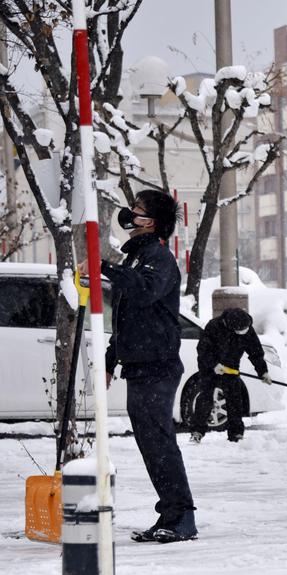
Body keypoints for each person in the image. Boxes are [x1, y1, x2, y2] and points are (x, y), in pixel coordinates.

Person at [91, 189, 198, 543]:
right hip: (139, 366)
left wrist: (101, 267)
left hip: (158, 366)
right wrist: (110, 360)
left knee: (160, 444)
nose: (128, 213)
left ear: (149, 221)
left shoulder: (158, 258)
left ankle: (182, 517)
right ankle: (170, 513)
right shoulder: (136, 258)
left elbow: (145, 291)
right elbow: (126, 319)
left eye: (136, 209)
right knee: (152, 445)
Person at [189, 307, 271, 444]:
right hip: (209, 367)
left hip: (231, 367)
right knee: (205, 398)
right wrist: (214, 365)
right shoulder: (214, 326)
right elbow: (202, 349)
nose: (243, 333)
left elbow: (255, 351)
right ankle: (197, 432)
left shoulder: (246, 329)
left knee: (235, 400)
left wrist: (263, 371)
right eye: (240, 331)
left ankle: (236, 433)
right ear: (231, 326)